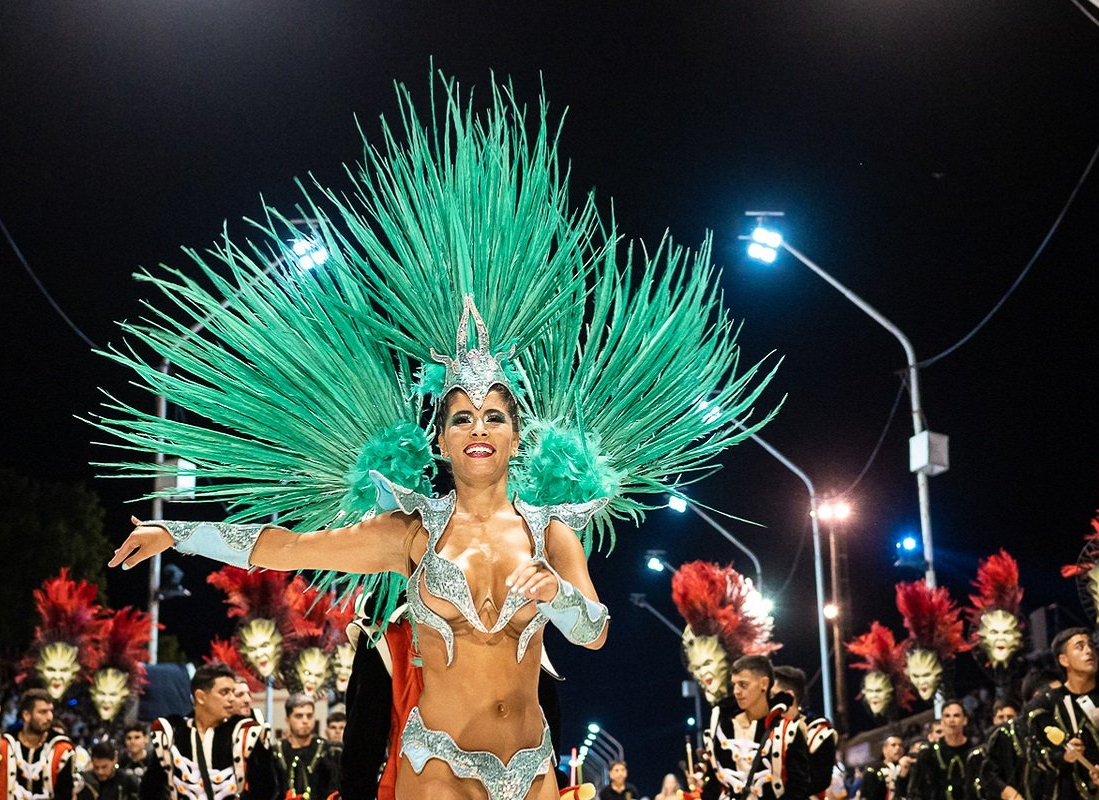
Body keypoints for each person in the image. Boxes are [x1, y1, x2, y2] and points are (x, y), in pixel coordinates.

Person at [98, 73, 767, 800]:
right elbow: (287, 547)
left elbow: (594, 631)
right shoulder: (412, 532)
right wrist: (177, 532)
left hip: (533, 764)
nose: (478, 428)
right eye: (461, 417)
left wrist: (561, 598)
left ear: (518, 438)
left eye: (494, 416)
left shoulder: (553, 535)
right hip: (438, 763)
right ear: (441, 441)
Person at [142, 663, 282, 800]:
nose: (232, 699)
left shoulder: (246, 734)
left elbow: (267, 791)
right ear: (201, 697)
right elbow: (150, 791)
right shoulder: (171, 734)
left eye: (233, 692)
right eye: (224, 692)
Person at [1022, 629, 1099, 800]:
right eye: (1079, 647)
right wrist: (1063, 756)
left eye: (1091, 646)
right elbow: (1034, 755)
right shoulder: (1045, 706)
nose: (1089, 651)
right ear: (1063, 659)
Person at [699, 655, 811, 799]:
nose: (736, 691)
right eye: (734, 685)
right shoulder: (721, 729)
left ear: (763, 683)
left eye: (743, 684)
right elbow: (713, 784)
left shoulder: (786, 731)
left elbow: (799, 786)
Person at [0, 688, 80, 800]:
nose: (49, 717)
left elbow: (64, 796)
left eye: (51, 711)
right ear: (26, 715)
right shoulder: (5, 745)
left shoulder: (62, 749)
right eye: (43, 712)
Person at [772, 665, 834, 800]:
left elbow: (820, 781)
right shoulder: (767, 728)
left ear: (789, 696)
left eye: (772, 695)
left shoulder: (818, 731)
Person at [899, 701, 970, 800]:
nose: (951, 720)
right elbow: (914, 791)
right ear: (942, 721)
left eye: (956, 715)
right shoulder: (928, 754)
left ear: (965, 720)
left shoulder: (975, 750)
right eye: (947, 716)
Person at [277, 693, 339, 800]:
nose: (305, 721)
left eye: (309, 716)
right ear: (288, 720)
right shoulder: (275, 753)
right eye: (299, 716)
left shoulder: (330, 752)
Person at [970, 699, 1028, 800]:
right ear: (994, 719)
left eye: (1010, 717)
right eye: (1001, 717)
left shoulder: (1024, 748)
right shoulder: (979, 754)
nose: (1005, 721)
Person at [852, 735, 903, 800]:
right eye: (893, 745)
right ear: (884, 749)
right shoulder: (873, 769)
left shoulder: (906, 768)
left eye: (900, 745)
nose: (898, 748)